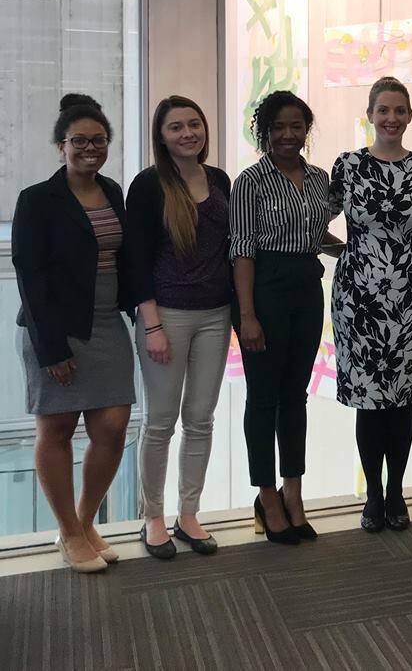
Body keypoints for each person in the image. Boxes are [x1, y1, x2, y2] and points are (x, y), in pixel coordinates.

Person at [12, 94, 135, 573]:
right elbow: (31, 276)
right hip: (56, 330)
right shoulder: (37, 200)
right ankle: (67, 531)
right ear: (60, 146)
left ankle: (85, 523)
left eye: (98, 140)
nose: (90, 148)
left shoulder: (113, 191)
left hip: (106, 324)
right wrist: (51, 349)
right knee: (58, 429)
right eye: (79, 140)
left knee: (113, 426)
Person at [329, 76, 412, 533]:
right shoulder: (349, 165)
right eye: (383, 110)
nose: (391, 118)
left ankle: (396, 492)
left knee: (401, 400)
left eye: (399, 111)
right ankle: (373, 495)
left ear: (410, 115)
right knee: (369, 401)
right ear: (370, 115)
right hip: (357, 299)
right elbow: (317, 219)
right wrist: (345, 253)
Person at [125, 96, 231, 558]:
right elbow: (135, 259)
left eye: (194, 124)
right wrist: (151, 326)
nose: (188, 133)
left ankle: (189, 514)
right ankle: (153, 517)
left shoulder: (220, 180)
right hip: (165, 315)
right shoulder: (149, 185)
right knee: (160, 421)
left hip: (215, 315)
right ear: (161, 136)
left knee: (201, 419)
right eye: (176, 127)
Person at [230, 90, 331, 545]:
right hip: (264, 290)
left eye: (296, 126)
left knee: (295, 397)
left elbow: (316, 234)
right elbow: (242, 250)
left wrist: (359, 249)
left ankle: (294, 494)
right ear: (264, 132)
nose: (288, 134)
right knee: (263, 398)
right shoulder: (249, 182)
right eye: (278, 127)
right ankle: (267, 497)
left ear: (306, 130)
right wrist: (247, 316)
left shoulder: (320, 179)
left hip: (307, 287)